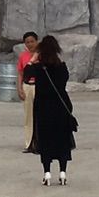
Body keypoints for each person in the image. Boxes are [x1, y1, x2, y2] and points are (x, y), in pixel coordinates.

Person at [25, 35, 76, 186]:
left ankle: (47, 173)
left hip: (43, 108)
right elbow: (64, 83)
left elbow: (27, 75)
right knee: (62, 139)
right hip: (61, 107)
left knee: (46, 139)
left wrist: (33, 59)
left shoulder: (38, 69)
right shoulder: (63, 67)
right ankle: (63, 173)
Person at [18, 31, 40, 154]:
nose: (30, 44)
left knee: (40, 114)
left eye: (32, 41)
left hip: (40, 86)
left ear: (37, 41)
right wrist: (20, 89)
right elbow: (20, 73)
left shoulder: (41, 55)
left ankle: (40, 143)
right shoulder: (23, 56)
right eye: (27, 42)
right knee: (28, 116)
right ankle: (29, 143)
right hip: (27, 86)